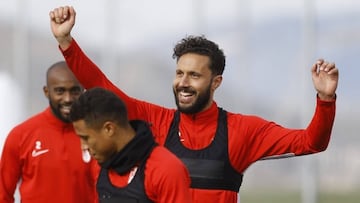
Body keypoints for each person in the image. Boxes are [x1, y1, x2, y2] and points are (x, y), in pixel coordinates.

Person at [49, 6, 339, 203]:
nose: (184, 82)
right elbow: (101, 86)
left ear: (216, 82)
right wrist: (66, 42)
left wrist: (325, 100)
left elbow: (311, 142)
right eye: (179, 73)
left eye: (195, 75)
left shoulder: (243, 130)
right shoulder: (156, 121)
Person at [69, 87, 192, 203]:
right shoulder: (98, 167)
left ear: (109, 129)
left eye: (86, 138)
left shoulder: (166, 169)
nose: (83, 146)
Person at [0, 61, 97, 203]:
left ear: (83, 91)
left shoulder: (96, 135)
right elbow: (3, 193)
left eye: (75, 91)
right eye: (60, 91)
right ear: (46, 92)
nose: (68, 99)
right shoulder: (21, 135)